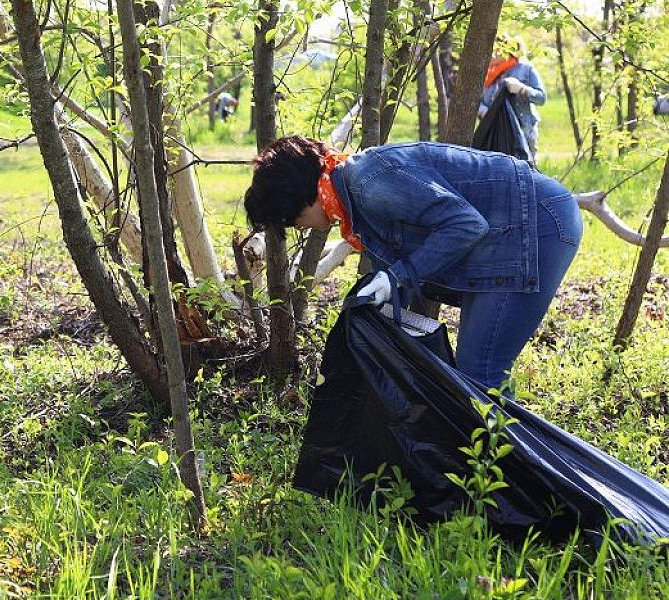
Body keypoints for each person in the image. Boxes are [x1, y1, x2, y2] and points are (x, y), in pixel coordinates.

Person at [244, 136, 582, 391]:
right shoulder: (352, 202)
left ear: (301, 198)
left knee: (481, 375)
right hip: (508, 234)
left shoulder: (369, 183)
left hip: (537, 225)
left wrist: (398, 276)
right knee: (474, 378)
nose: (299, 227)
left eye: (292, 220)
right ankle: (484, 475)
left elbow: (467, 224)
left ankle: (503, 480)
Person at [478, 36, 546, 162]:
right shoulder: (485, 75)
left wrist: (522, 89)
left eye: (494, 50)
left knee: (527, 171)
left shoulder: (525, 69)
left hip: (524, 131)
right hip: (496, 134)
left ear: (505, 50)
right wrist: (484, 111)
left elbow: (542, 98)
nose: (490, 55)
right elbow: (476, 103)